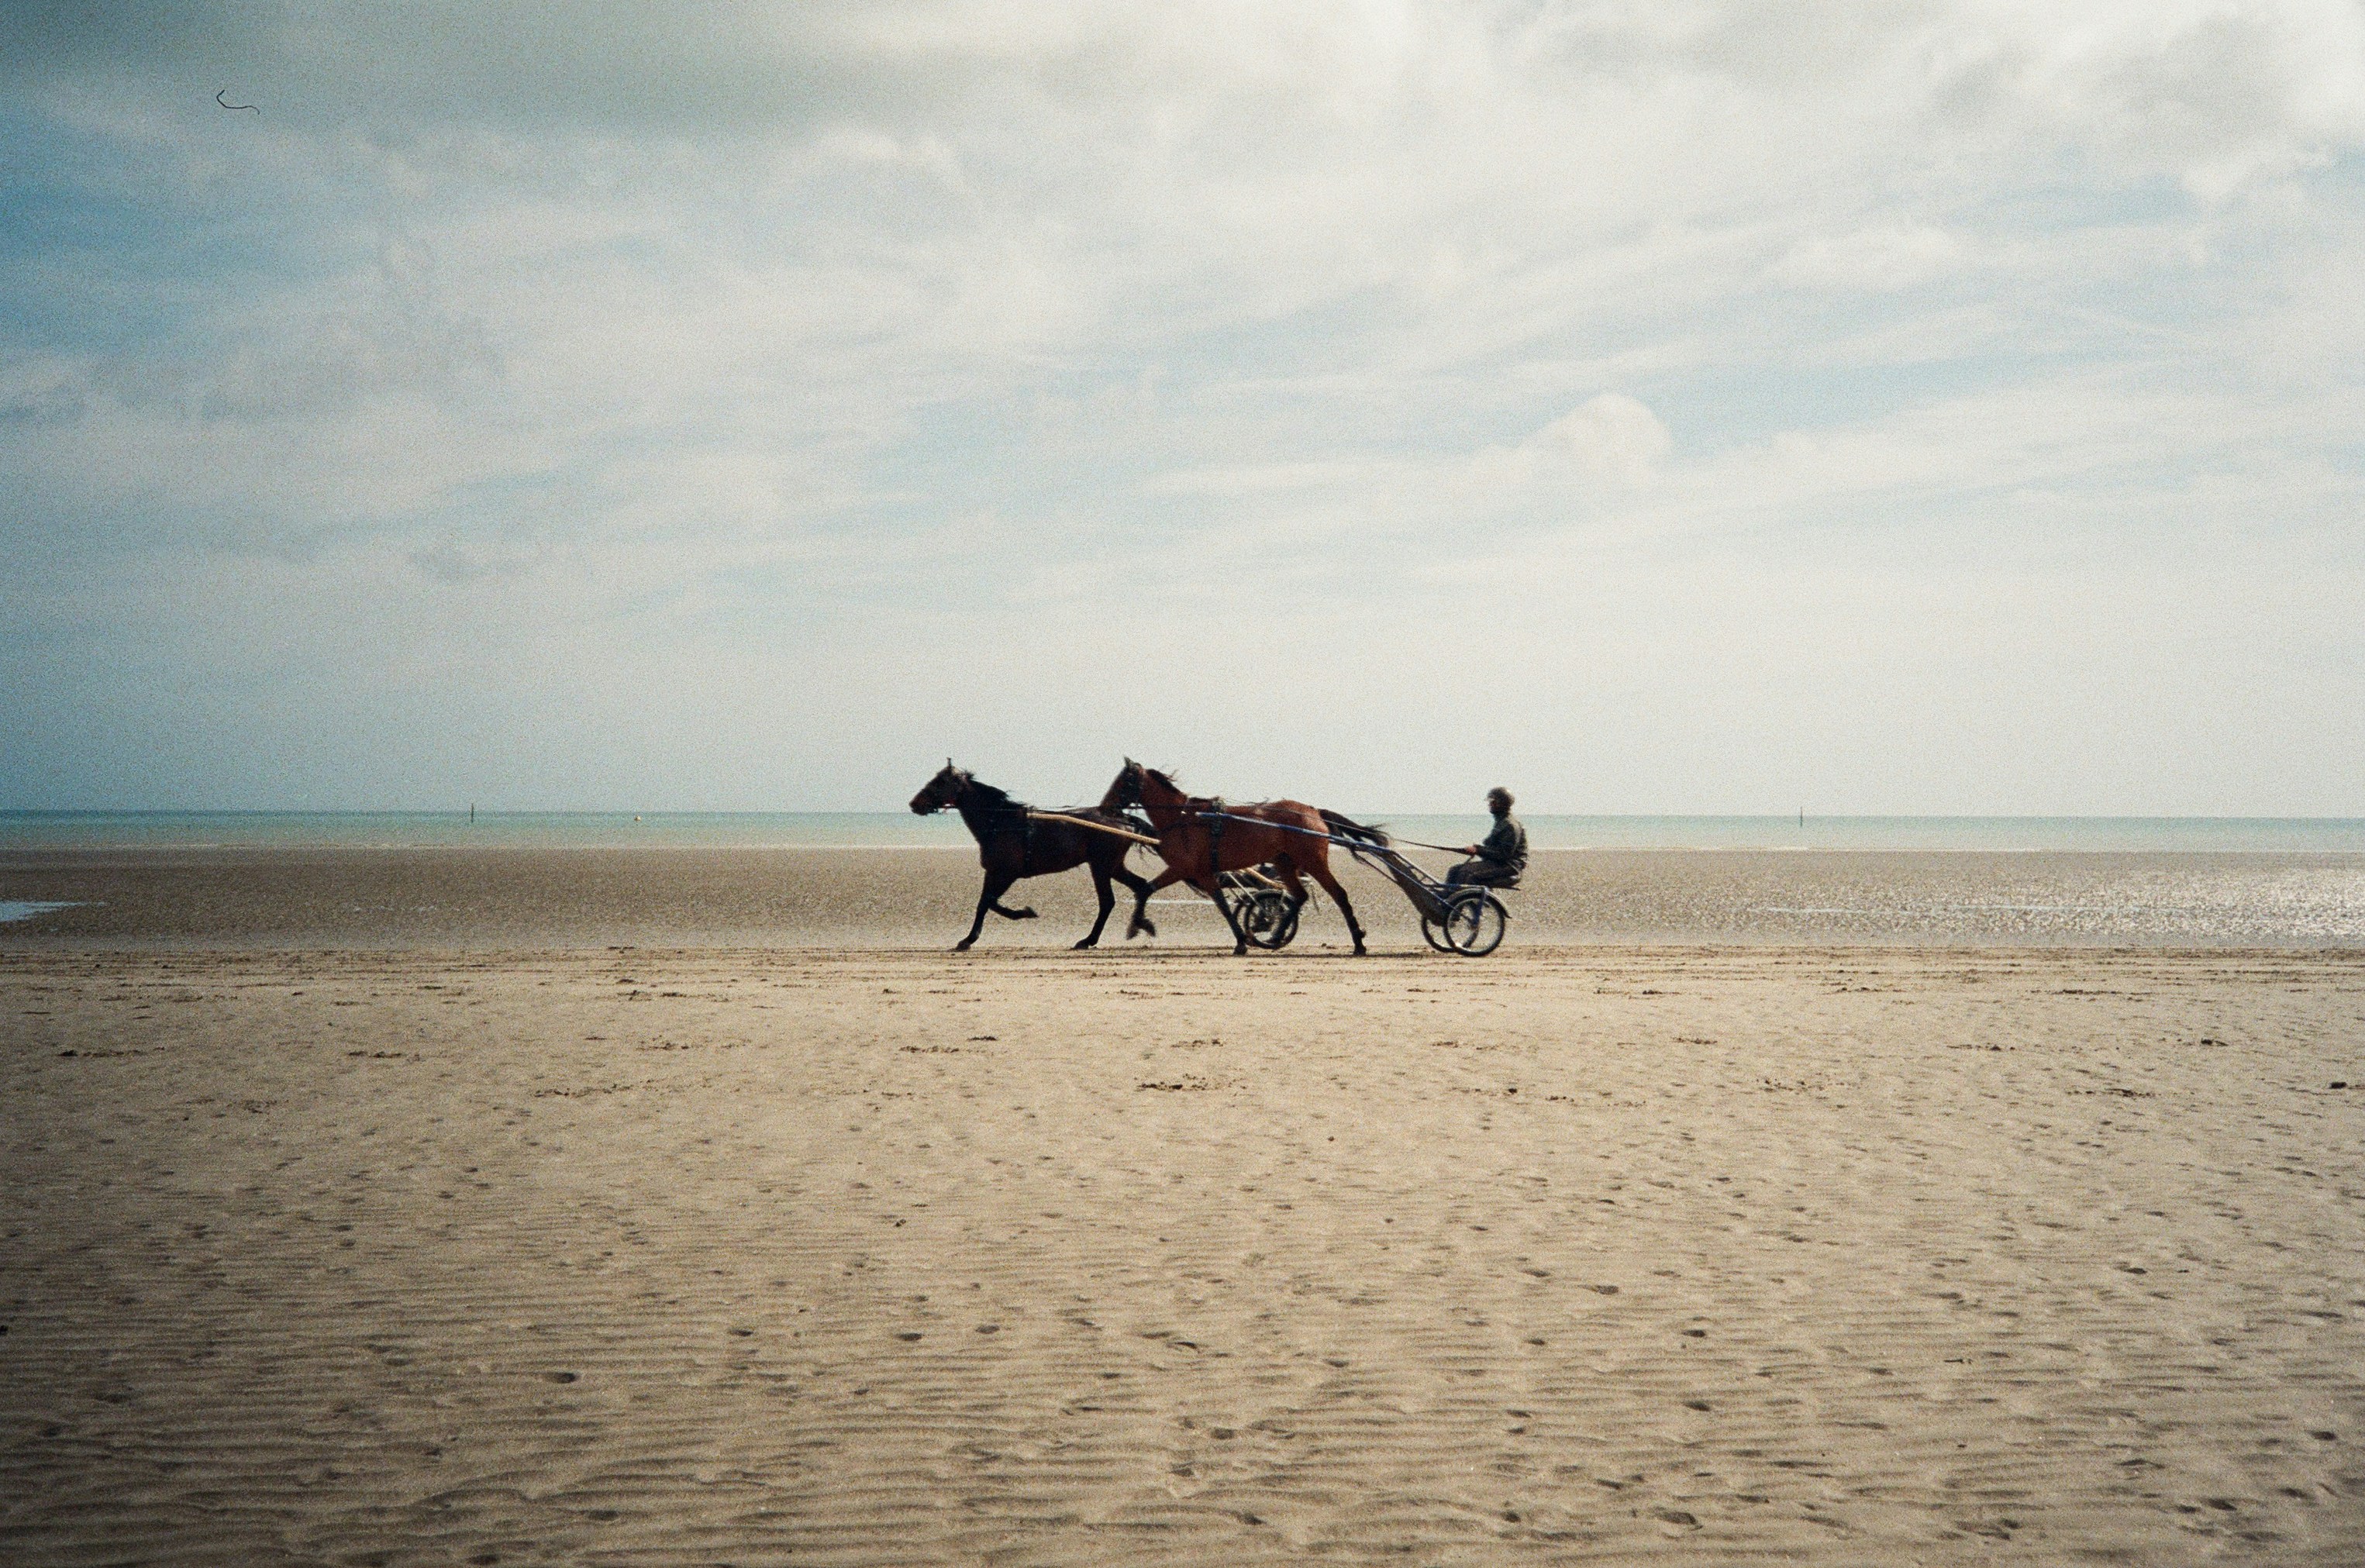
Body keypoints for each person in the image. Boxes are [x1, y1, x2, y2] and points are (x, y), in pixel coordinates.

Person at [1446, 787, 1526, 887]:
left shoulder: (1510, 825)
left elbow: (1504, 854)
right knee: (1455, 870)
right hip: (1499, 863)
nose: (1489, 804)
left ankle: (1463, 901)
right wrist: (1477, 849)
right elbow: (1494, 848)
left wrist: (1478, 850)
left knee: (1467, 873)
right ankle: (1447, 898)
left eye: (1492, 801)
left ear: (1500, 803)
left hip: (1510, 867)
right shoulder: (1502, 821)